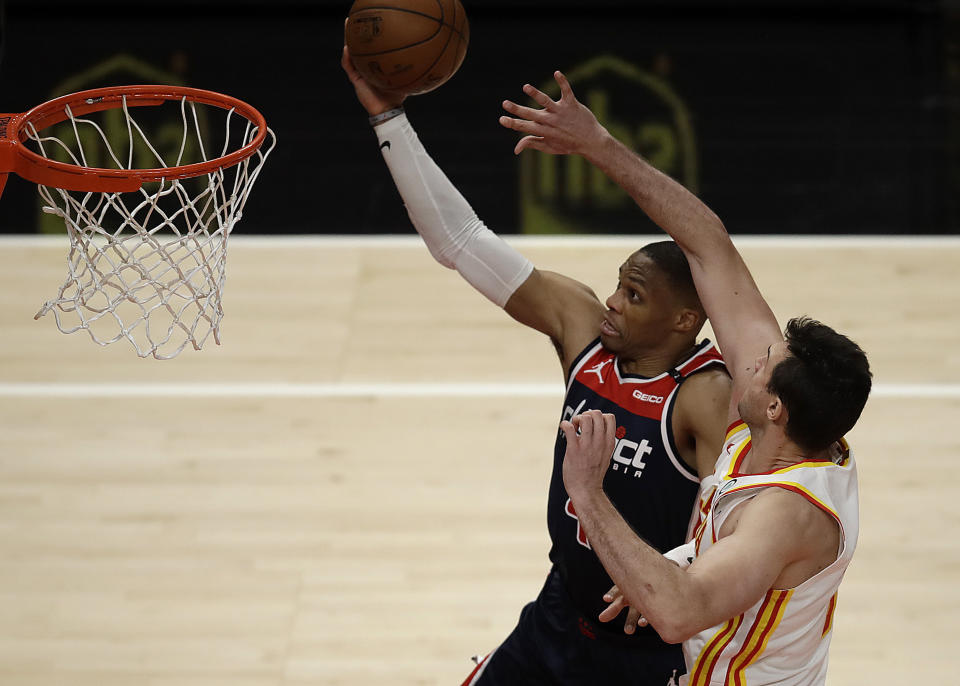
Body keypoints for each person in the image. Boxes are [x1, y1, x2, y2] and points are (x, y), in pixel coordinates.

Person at [342, 48, 732, 686]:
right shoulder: (582, 329)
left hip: (650, 657)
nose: (612, 300)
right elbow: (461, 242)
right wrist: (389, 119)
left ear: (684, 322)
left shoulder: (702, 395)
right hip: (557, 620)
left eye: (634, 296)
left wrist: (677, 573)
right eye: (618, 285)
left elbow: (739, 520)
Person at [498, 71, 871, 685]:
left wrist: (588, 493)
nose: (749, 356)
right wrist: (597, 144)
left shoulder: (786, 514)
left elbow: (676, 611)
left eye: (765, 366)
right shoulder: (788, 426)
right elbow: (707, 246)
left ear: (775, 407)